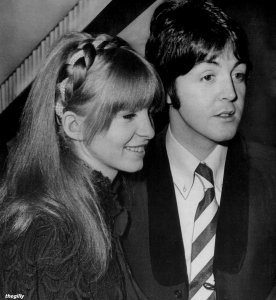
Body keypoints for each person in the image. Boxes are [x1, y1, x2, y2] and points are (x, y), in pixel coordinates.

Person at [121, 1, 276, 299]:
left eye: (239, 75)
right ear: (166, 88)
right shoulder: (123, 179)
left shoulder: (271, 173)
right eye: (208, 76)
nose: (231, 93)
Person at [0, 31, 164, 299]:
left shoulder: (92, 208)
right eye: (129, 115)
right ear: (75, 126)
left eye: (149, 112)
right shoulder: (52, 229)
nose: (148, 130)